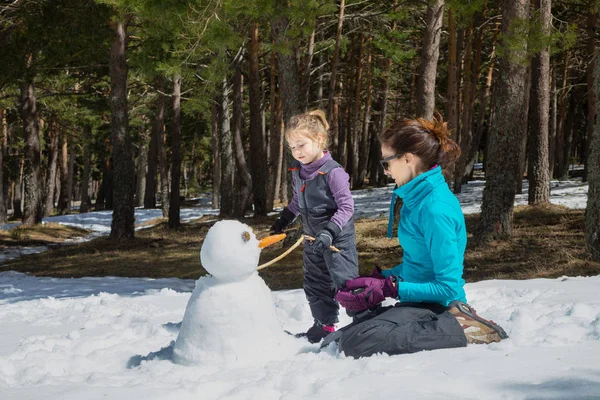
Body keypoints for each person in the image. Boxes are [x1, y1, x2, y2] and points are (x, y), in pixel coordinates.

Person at [332, 116, 508, 358]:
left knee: (358, 342)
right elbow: (421, 264)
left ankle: (464, 329)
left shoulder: (435, 208)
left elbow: (447, 287)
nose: (385, 171)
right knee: (338, 338)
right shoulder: (417, 200)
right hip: (418, 303)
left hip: (441, 307)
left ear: (407, 159)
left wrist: (390, 288)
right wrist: (379, 279)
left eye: (386, 162)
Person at [270, 110, 359, 344]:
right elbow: (298, 202)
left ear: (319, 139)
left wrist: (330, 232)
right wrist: (285, 218)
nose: (297, 152)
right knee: (315, 284)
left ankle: (363, 322)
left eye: (301, 145)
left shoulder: (333, 172)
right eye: (292, 147)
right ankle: (324, 325)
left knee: (345, 283)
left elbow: (347, 207)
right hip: (312, 240)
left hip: (336, 240)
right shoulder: (297, 170)